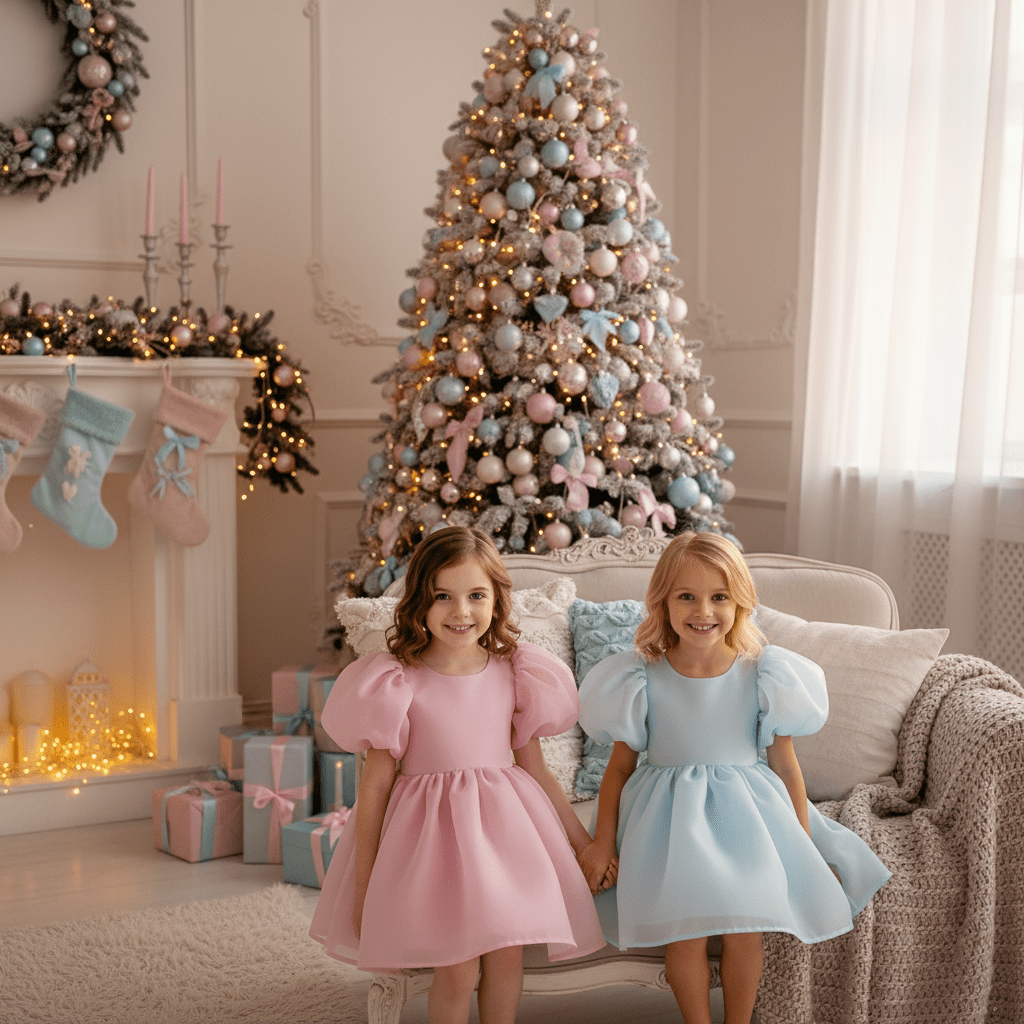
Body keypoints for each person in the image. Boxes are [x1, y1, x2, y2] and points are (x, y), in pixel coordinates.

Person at [576, 532, 891, 1024]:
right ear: (663, 602)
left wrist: (804, 845)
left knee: (747, 932)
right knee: (687, 934)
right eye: (687, 596)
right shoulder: (641, 677)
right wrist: (602, 842)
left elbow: (785, 765)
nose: (704, 610)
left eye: (719, 596)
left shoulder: (762, 673)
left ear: (740, 601)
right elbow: (619, 768)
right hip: (670, 824)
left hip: (747, 818)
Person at [309, 526, 608, 1024]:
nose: (461, 611)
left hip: (505, 841)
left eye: (476, 596)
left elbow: (535, 769)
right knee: (457, 971)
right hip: (435, 848)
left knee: (507, 961)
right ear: (419, 603)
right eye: (442, 597)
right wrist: (365, 885)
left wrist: (582, 844)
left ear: (496, 600)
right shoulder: (395, 679)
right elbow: (376, 786)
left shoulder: (516, 672)